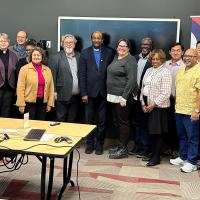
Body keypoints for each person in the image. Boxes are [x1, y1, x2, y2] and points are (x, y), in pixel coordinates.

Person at [78, 31, 113, 155]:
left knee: (102, 121)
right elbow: (81, 75)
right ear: (91, 39)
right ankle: (89, 144)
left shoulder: (109, 53)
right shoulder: (84, 53)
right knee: (89, 120)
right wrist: (83, 93)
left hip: (104, 93)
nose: (97, 40)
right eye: (94, 38)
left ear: (102, 40)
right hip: (89, 94)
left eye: (99, 38)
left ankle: (99, 145)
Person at [170, 49, 200, 173]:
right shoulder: (181, 69)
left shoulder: (199, 70)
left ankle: (192, 162)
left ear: (197, 57)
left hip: (191, 111)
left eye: (190, 56)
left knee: (193, 138)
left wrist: (197, 110)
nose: (187, 58)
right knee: (181, 135)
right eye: (186, 55)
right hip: (179, 109)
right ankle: (183, 157)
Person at [107, 38, 138, 159]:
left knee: (123, 122)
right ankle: (120, 145)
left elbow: (131, 80)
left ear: (128, 48)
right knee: (117, 122)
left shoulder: (130, 60)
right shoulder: (117, 57)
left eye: (124, 46)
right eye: (120, 45)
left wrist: (124, 96)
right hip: (113, 96)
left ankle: (124, 149)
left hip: (123, 97)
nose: (121, 48)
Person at [141, 49, 172, 166]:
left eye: (157, 59)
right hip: (147, 106)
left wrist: (152, 105)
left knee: (157, 133)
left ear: (162, 60)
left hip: (158, 108)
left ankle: (156, 157)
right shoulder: (149, 70)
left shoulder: (165, 72)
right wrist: (143, 104)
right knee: (150, 132)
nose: (154, 61)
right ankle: (152, 152)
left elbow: (165, 93)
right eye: (153, 59)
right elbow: (143, 87)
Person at [129, 37, 153, 159]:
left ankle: (145, 147)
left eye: (147, 44)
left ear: (151, 46)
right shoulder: (134, 58)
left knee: (145, 123)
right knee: (136, 122)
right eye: (143, 44)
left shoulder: (154, 60)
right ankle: (137, 145)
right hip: (133, 96)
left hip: (146, 97)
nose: (145, 46)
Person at [48, 34, 80, 122]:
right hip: (61, 94)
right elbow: (52, 76)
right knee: (60, 120)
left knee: (72, 121)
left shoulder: (79, 56)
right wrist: (53, 92)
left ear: (74, 44)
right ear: (62, 44)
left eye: (71, 42)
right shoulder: (55, 57)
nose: (69, 44)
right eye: (66, 43)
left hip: (76, 96)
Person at [16, 47, 54, 120]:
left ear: (42, 57)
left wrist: (50, 103)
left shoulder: (47, 70)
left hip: (43, 103)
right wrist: (21, 104)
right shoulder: (24, 69)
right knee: (28, 125)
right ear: (31, 56)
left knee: (40, 125)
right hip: (28, 103)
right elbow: (20, 88)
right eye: (34, 55)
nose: (36, 57)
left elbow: (51, 88)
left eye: (38, 55)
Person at [164, 42, 185, 156]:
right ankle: (167, 148)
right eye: (173, 50)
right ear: (169, 52)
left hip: (179, 101)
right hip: (165, 100)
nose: (175, 52)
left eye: (178, 50)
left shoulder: (185, 66)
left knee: (178, 126)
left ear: (182, 52)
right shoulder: (165, 64)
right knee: (167, 125)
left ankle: (176, 150)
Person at [0, 33, 18, 117]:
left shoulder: (14, 55)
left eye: (5, 41)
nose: (3, 43)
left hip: (9, 89)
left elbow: (16, 73)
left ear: (9, 42)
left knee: (6, 112)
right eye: (1, 41)